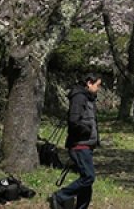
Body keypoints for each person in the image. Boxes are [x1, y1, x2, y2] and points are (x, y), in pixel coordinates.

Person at [49, 74, 102, 209]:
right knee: (89, 177)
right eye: (97, 85)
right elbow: (73, 121)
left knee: (86, 181)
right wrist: (87, 131)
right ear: (89, 83)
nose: (99, 89)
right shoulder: (79, 98)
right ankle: (60, 196)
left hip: (86, 145)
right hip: (79, 145)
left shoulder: (88, 98)